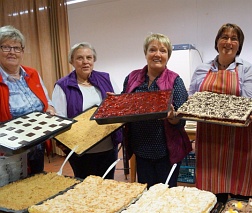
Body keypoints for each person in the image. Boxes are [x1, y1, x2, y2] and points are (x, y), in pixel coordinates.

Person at [189, 23, 252, 203]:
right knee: (211, 196)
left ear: (239, 44)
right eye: (224, 37)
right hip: (209, 138)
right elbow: (192, 99)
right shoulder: (202, 69)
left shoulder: (247, 69)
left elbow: (249, 103)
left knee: (239, 196)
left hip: (239, 139)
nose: (228, 42)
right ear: (217, 42)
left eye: (234, 39)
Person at [121, 33, 191, 189]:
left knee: (166, 194)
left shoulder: (175, 81)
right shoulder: (132, 78)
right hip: (141, 148)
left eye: (163, 50)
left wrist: (173, 117)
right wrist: (115, 103)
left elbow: (181, 121)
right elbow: (125, 107)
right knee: (146, 194)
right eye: (152, 50)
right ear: (145, 53)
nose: (157, 54)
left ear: (168, 56)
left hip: (166, 151)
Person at [52, 42, 122, 179]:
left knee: (107, 185)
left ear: (93, 60)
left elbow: (121, 108)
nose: (85, 62)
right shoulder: (63, 86)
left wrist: (116, 103)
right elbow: (59, 119)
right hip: (80, 151)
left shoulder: (106, 78)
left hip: (108, 147)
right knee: (84, 187)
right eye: (80, 58)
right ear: (71, 61)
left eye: (89, 58)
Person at [0, 25, 56, 175]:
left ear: (22, 52)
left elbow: (46, 102)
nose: (12, 52)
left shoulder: (32, 73)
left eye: (17, 48)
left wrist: (50, 110)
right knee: (14, 194)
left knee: (35, 186)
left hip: (37, 146)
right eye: (6, 47)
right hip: (9, 154)